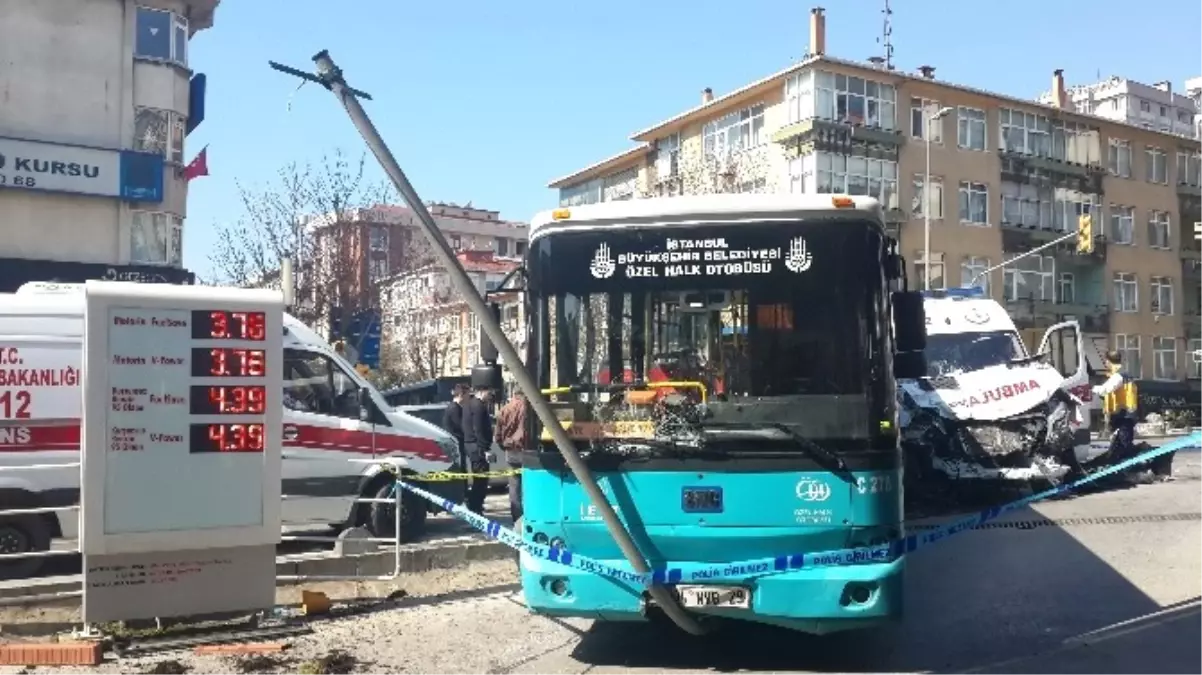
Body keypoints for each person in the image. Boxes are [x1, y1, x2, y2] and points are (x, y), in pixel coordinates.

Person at [1092, 350, 1145, 478]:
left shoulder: (1118, 376)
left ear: (1109, 362)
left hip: (1124, 414)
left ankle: (1131, 470)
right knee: (1121, 443)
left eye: (1106, 361)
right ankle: (1125, 468)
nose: (1105, 363)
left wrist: (1090, 388)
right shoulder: (1125, 374)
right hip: (1126, 414)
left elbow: (1106, 389)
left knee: (1123, 443)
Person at [494, 390, 531, 525]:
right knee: (529, 485)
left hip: (510, 451)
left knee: (514, 487)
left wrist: (503, 446)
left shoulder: (504, 410)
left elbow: (497, 435)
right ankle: (529, 516)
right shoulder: (527, 409)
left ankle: (517, 518)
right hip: (526, 451)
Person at [461, 384, 495, 515]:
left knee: (479, 478)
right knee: (481, 479)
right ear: (482, 391)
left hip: (470, 444)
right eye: (489, 392)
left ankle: (475, 504)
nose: (491, 396)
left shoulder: (468, 404)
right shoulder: (479, 406)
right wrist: (484, 448)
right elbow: (479, 429)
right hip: (478, 447)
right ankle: (475, 506)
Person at [442, 384, 469, 469]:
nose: (469, 398)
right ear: (461, 395)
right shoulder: (454, 408)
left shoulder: (456, 407)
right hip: (457, 445)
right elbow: (462, 427)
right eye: (468, 395)